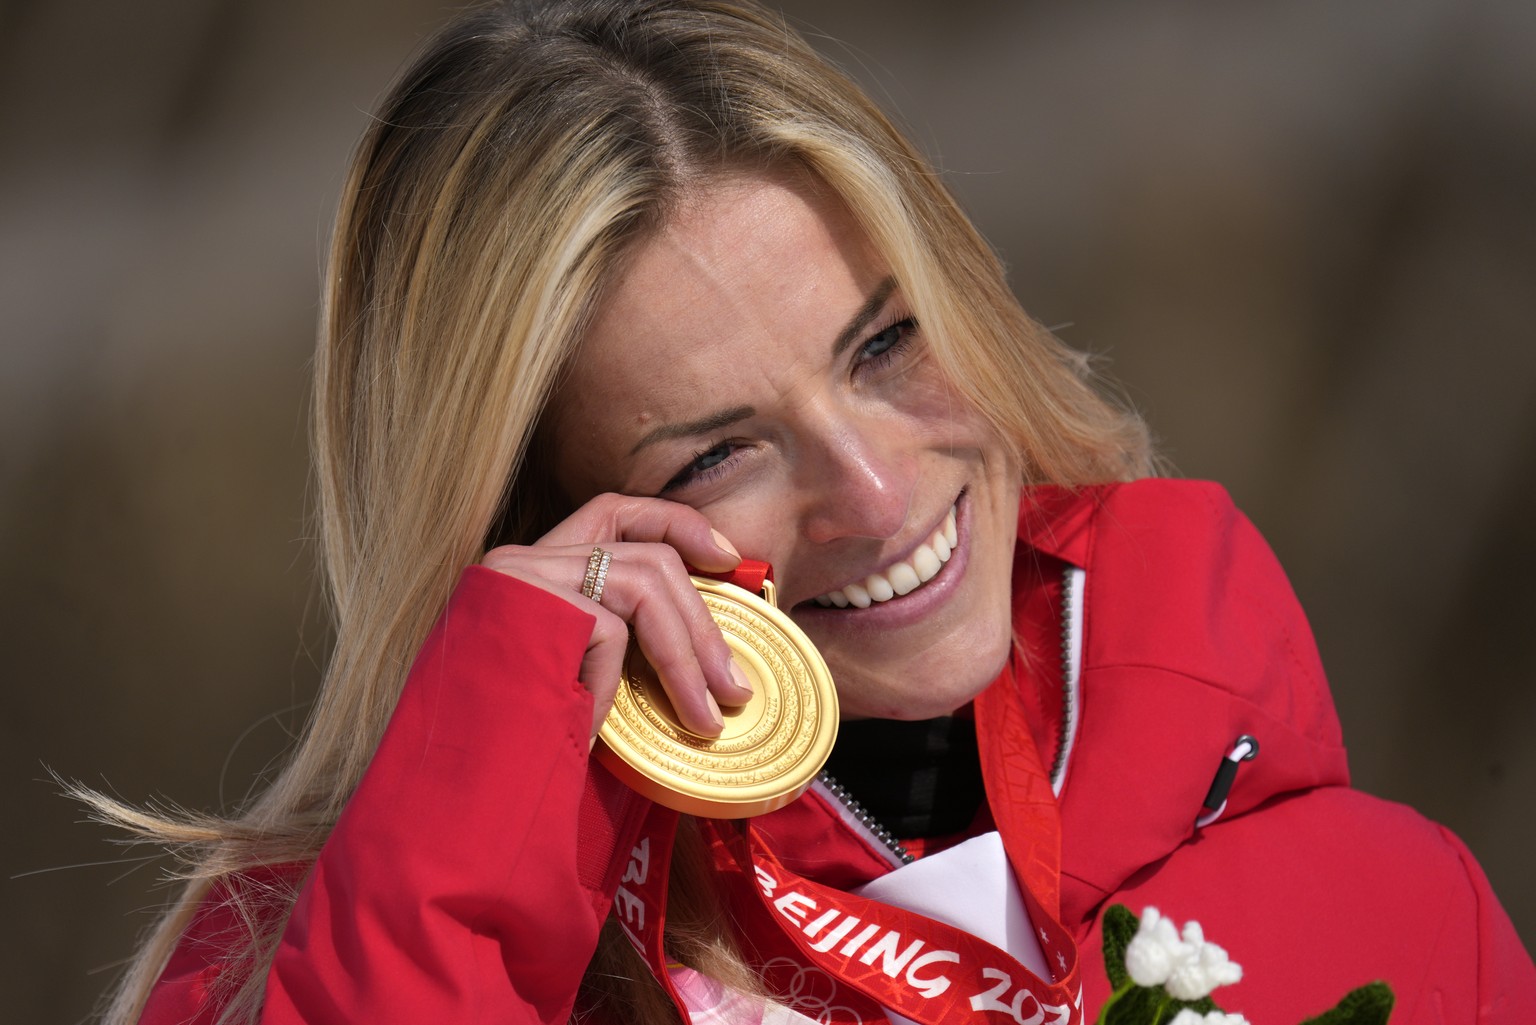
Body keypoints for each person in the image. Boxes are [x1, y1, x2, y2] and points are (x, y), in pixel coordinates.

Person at [87, 1, 1534, 1023]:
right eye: (717, 456)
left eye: (884, 342)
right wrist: (473, 819)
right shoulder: (284, 974)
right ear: (552, 534)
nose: (879, 486)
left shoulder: (1391, 911)